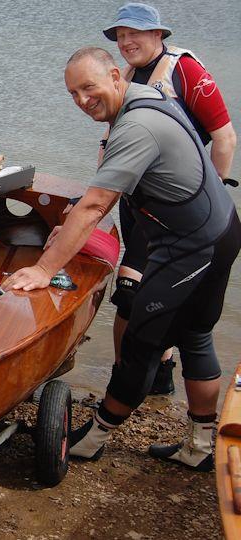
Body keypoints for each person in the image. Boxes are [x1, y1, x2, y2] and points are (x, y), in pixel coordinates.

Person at [3, 47, 240, 471]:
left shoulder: (136, 127)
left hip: (191, 243)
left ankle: (93, 437)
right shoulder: (149, 96)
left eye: (88, 88)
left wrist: (44, 268)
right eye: (72, 93)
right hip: (220, 227)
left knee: (141, 343)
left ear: (115, 76)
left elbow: (96, 205)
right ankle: (201, 447)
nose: (81, 100)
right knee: (195, 335)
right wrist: (75, 219)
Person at [102, 2, 237, 395]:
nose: (126, 42)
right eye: (120, 36)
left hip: (179, 211)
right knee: (130, 297)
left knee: (156, 300)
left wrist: (212, 194)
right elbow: (111, 142)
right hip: (140, 205)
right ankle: (142, 377)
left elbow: (225, 137)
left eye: (135, 34)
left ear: (158, 34)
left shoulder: (186, 71)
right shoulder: (126, 75)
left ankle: (146, 379)